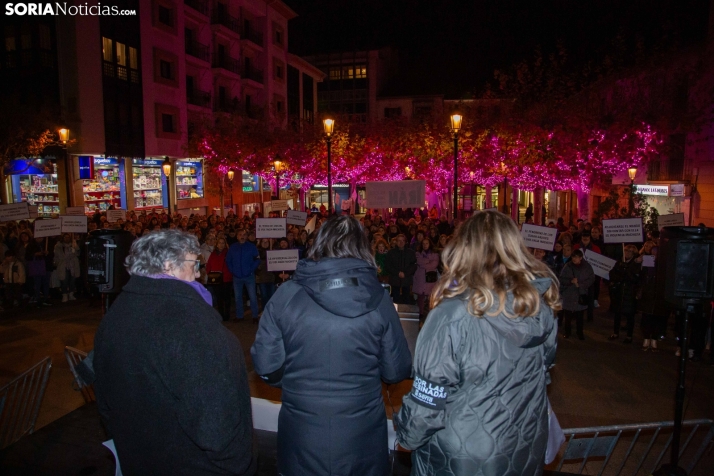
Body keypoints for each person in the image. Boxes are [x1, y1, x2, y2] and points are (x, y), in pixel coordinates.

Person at [395, 211, 559, 476]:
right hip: (522, 447)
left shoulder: (451, 315)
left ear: (463, 250)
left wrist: (405, 435)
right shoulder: (539, 306)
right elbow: (544, 371)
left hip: (463, 456)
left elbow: (428, 401)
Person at [251, 215, 411, 476]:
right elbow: (396, 370)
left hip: (302, 428)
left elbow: (266, 365)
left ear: (320, 243)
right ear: (362, 247)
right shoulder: (379, 298)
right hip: (361, 432)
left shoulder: (287, 295)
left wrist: (296, 382)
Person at [93, 230, 255, 476]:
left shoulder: (117, 313)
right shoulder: (193, 327)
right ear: (169, 266)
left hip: (139, 458)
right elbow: (217, 426)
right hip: (191, 465)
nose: (199, 273)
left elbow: (105, 401)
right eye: (194, 264)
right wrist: (238, 466)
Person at [609, 244, 642, 344]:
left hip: (630, 293)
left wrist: (626, 271)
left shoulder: (636, 264)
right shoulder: (620, 261)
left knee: (630, 316)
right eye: (626, 251)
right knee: (617, 314)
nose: (627, 253)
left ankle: (629, 336)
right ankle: (615, 333)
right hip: (619, 292)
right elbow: (612, 273)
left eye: (629, 251)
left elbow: (635, 278)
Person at [559, 249, 595, 340]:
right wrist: (570, 281)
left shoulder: (587, 267)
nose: (574, 259)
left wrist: (581, 284)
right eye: (573, 257)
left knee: (580, 316)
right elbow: (562, 279)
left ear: (581, 258)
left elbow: (591, 279)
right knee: (568, 316)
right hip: (569, 294)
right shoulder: (568, 266)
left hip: (580, 294)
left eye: (576, 257)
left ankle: (580, 332)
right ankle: (567, 332)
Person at [226, 229, 260, 322]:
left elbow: (257, 259)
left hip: (249, 276)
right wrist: (232, 271)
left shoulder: (251, 247)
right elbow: (228, 260)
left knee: (252, 297)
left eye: (244, 235)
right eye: (240, 234)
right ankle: (239, 316)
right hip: (236, 276)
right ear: (237, 236)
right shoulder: (232, 247)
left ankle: (255, 316)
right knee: (238, 297)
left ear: (246, 236)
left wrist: (250, 269)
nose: (242, 236)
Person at [385, 233, 417, 304]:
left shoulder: (410, 252)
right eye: (399, 240)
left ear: (405, 242)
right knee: (395, 300)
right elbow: (388, 266)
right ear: (396, 242)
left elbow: (414, 265)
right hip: (395, 279)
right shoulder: (391, 253)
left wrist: (405, 273)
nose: (401, 242)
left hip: (406, 280)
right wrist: (398, 273)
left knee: (406, 300)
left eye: (402, 240)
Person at [206, 237, 232, 321]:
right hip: (216, 279)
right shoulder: (213, 254)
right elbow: (209, 265)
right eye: (219, 243)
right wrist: (209, 273)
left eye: (223, 243)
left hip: (226, 278)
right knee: (219, 298)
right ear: (216, 244)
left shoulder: (228, 253)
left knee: (227, 298)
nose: (221, 244)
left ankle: (227, 314)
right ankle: (221, 314)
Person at [413, 238, 440, 321]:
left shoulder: (435, 254)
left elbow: (434, 265)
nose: (425, 245)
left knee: (431, 297)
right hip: (420, 278)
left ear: (429, 244)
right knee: (420, 297)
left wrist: (425, 263)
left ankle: (430, 313)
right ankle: (420, 313)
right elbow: (419, 261)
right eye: (423, 243)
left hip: (430, 279)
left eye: (426, 243)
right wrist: (428, 261)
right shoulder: (418, 253)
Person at [54, 233, 80, 302]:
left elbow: (78, 253)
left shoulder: (73, 245)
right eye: (65, 237)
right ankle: (64, 294)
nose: (67, 239)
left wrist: (75, 248)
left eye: (68, 237)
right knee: (64, 281)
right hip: (63, 265)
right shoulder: (58, 246)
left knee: (72, 280)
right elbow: (57, 256)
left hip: (73, 266)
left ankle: (71, 294)